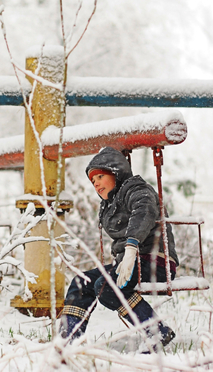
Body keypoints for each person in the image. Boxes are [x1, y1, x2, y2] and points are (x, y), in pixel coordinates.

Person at [60, 146, 178, 349]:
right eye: (93, 181)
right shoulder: (111, 202)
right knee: (82, 282)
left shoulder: (137, 190)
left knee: (106, 288)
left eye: (100, 176)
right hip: (129, 263)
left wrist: (131, 246)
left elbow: (144, 211)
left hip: (155, 261)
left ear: (116, 172)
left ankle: (157, 332)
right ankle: (67, 340)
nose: (96, 183)